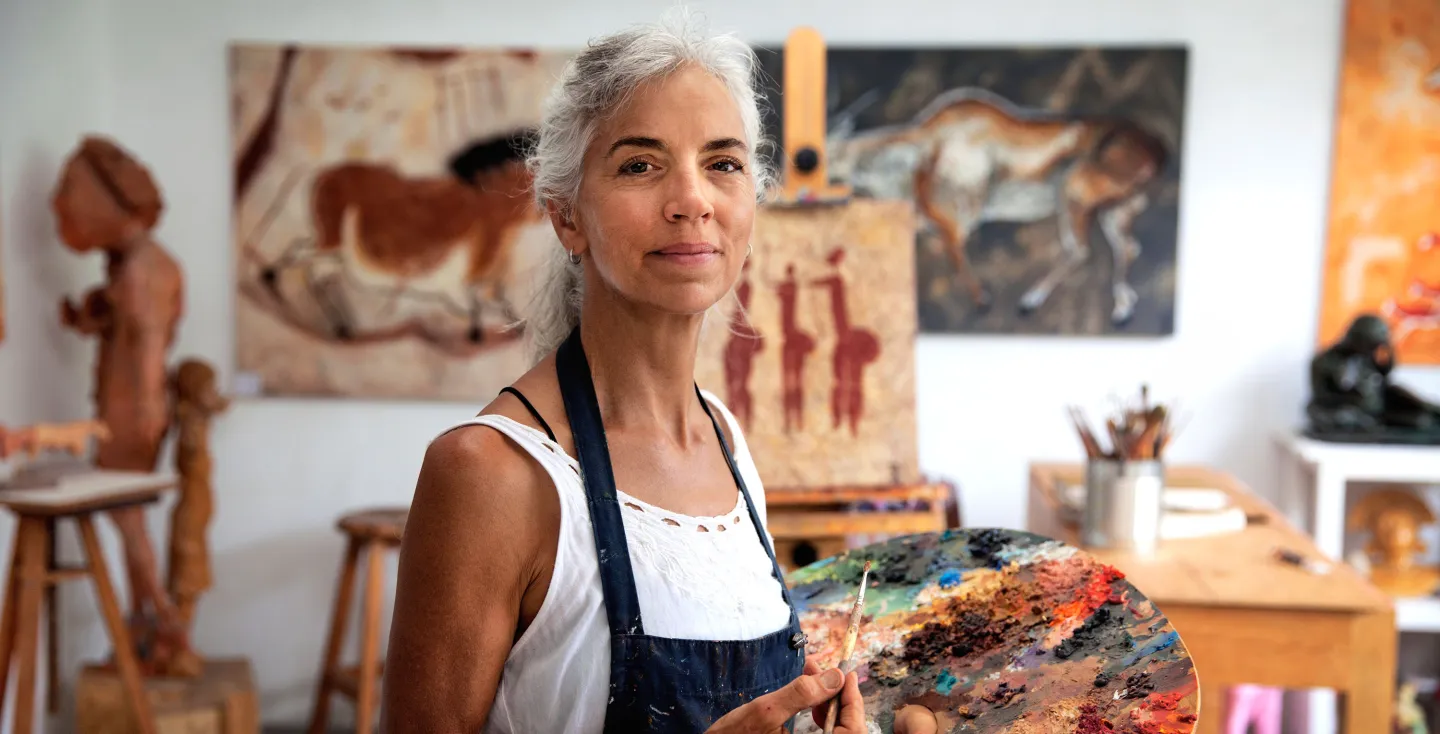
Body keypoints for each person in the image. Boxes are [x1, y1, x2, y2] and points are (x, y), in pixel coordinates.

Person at [380, 11, 939, 734]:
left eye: (723, 163)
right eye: (641, 165)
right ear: (566, 217)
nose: (692, 200)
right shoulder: (491, 473)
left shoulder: (728, 443)